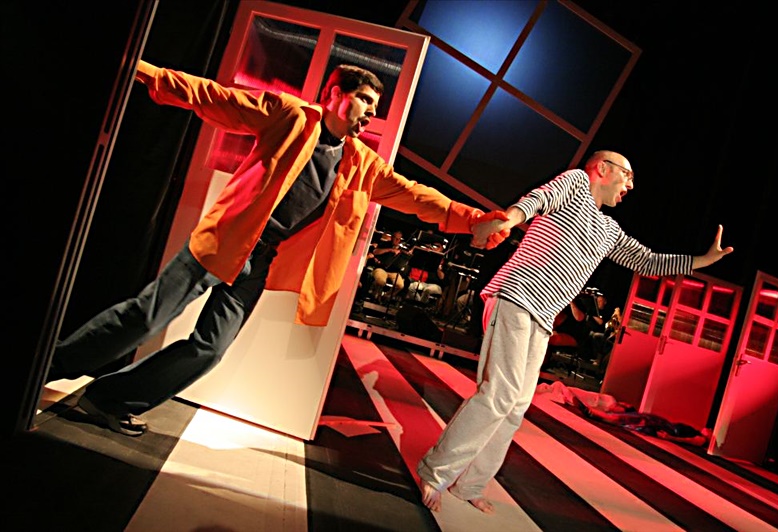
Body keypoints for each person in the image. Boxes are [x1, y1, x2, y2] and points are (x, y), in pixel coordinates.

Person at [46, 59, 510, 436]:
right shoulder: (291, 116)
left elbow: (417, 196)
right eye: (365, 100)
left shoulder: (361, 163)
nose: (371, 112)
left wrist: (473, 220)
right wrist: (140, 68)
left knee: (209, 349)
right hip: (225, 239)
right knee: (147, 317)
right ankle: (48, 364)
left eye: (375, 105)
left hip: (260, 259)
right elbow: (216, 97)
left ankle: (109, 399)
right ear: (335, 94)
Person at [416, 150, 733, 513]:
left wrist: (702, 261)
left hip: (542, 317)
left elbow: (648, 260)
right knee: (500, 395)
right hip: (517, 296)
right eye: (627, 176)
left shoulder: (609, 230)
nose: (630, 185)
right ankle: (435, 472)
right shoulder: (577, 182)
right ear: (603, 169)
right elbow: (536, 201)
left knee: (516, 407)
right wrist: (506, 221)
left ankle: (470, 483)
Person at [536, 381, 710, 447]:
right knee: (627, 419)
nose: (708, 430)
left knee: (625, 420)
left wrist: (670, 438)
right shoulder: (693, 430)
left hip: (659, 427)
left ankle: (595, 414)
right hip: (656, 422)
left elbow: (696, 441)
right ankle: (598, 414)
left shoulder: (698, 437)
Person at [369, 230, 413, 301]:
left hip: (394, 271)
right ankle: (375, 296)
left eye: (399, 239)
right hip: (381, 268)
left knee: (400, 285)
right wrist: (390, 250)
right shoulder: (384, 244)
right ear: (392, 237)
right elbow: (375, 252)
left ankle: (385, 297)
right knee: (381, 281)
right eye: (396, 238)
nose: (397, 240)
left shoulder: (401, 249)